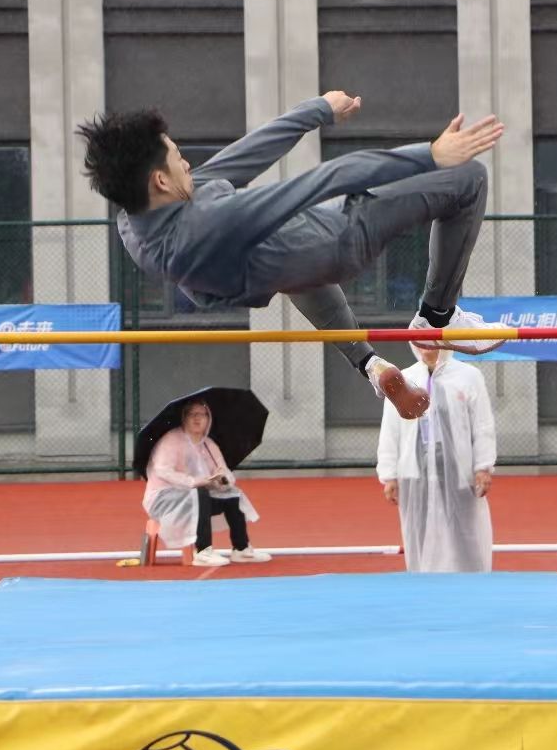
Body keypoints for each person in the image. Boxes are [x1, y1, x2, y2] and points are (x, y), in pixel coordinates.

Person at [77, 92, 508, 422]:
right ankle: (436, 317)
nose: (188, 164)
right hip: (342, 235)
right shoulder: (204, 225)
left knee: (291, 269)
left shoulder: (134, 218)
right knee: (468, 177)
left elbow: (243, 157)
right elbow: (323, 180)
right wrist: (430, 156)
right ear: (160, 180)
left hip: (284, 268)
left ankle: (369, 364)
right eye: (178, 158)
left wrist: (315, 111)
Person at [377, 344, 496, 572]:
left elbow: (482, 425)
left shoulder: (469, 377)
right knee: (419, 529)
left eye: (431, 339)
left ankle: (472, 579)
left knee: (465, 530)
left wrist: (483, 466)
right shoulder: (403, 379)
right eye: (419, 340)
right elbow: (390, 430)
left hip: (459, 469)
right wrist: (389, 475)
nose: (425, 346)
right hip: (415, 469)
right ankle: (422, 577)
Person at [142, 398, 271, 568]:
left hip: (198, 498)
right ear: (184, 418)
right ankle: (203, 551)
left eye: (202, 414)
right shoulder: (171, 441)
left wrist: (223, 480)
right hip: (164, 499)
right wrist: (194, 482)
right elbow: (163, 471)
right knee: (200, 492)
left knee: (232, 494)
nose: (197, 418)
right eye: (192, 414)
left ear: (208, 419)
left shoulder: (209, 445)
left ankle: (241, 549)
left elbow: (224, 471)